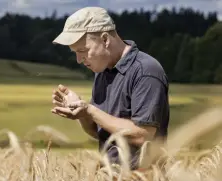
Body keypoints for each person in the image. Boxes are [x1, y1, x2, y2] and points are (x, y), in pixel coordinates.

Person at [51, 7, 170, 170]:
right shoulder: (102, 71)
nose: (79, 60)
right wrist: (81, 112)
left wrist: (90, 110)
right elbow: (100, 133)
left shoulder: (146, 71)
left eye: (82, 51)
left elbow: (143, 135)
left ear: (105, 39)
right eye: (75, 53)